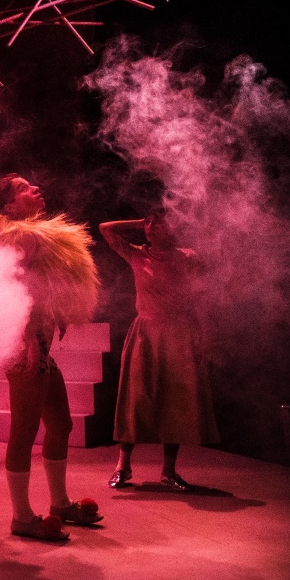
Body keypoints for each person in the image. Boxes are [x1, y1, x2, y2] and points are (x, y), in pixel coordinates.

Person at [0, 174, 103, 542]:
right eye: (23, 188)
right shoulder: (19, 237)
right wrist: (28, 334)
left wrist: (56, 315)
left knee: (61, 425)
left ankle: (60, 503)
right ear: (10, 206)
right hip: (24, 347)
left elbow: (41, 285)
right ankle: (21, 516)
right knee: (24, 432)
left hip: (39, 346)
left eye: (33, 185)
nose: (35, 189)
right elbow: (9, 286)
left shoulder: (29, 235)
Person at [100, 208, 219, 491]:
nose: (151, 227)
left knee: (174, 400)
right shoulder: (137, 254)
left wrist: (204, 336)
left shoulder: (187, 258)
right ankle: (122, 466)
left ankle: (168, 471)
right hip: (146, 332)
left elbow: (202, 297)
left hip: (178, 332)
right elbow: (106, 228)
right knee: (135, 398)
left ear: (172, 227)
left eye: (158, 223)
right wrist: (140, 222)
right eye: (149, 223)